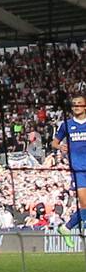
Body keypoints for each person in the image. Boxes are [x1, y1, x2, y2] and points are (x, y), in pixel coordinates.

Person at [54, 89, 86, 249]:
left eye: (80, 104)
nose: (77, 107)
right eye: (74, 105)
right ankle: (67, 228)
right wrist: (60, 146)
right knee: (85, 205)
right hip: (79, 170)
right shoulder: (67, 125)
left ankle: (66, 228)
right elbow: (54, 142)